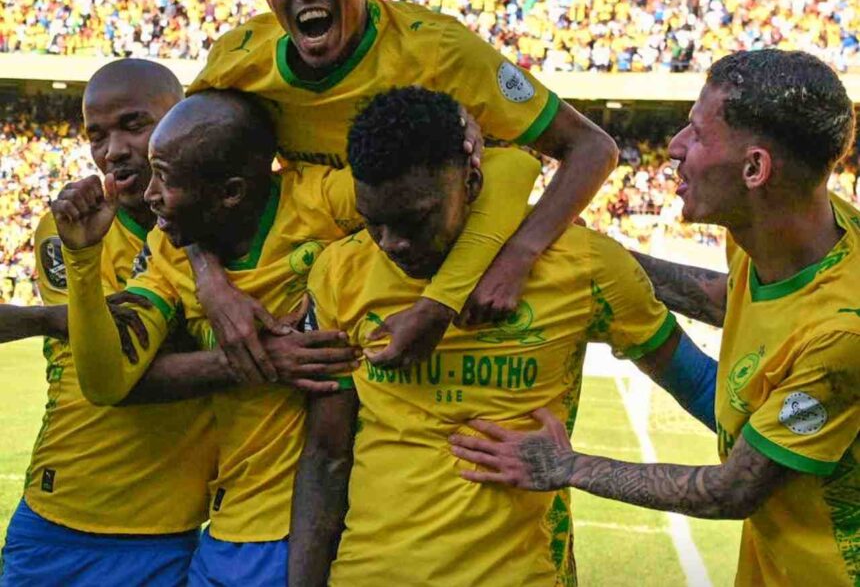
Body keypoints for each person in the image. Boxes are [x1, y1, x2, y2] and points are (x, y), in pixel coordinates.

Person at [52, 89, 540, 585]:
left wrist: (440, 303)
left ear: (232, 192)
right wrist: (82, 262)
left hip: (326, 531)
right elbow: (107, 382)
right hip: (230, 529)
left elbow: (504, 169)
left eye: (167, 179)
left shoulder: (318, 201)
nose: (150, 195)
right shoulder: (170, 253)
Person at [450, 50, 860, 587]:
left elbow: (731, 490)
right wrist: (590, 259)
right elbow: (731, 298)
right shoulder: (794, 229)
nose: (674, 149)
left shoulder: (843, 333)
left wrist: (564, 466)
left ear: (755, 168)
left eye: (696, 133)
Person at [187, 0, 618, 373]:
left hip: (430, 281)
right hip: (321, 292)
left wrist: (517, 256)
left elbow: (590, 147)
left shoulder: (439, 51)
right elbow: (185, 179)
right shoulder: (236, 61)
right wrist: (211, 282)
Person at [297, 86, 694, 587]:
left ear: (472, 180)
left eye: (415, 220)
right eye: (374, 222)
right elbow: (326, 455)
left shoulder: (584, 265)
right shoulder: (340, 271)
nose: (392, 243)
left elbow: (701, 386)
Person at [0, 59, 216, 587]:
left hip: (172, 527)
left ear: (181, 121)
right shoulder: (69, 227)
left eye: (134, 125)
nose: (112, 149)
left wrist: (39, 320)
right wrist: (247, 360)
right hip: (62, 516)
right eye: (96, 134)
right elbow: (117, 374)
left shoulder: (221, 223)